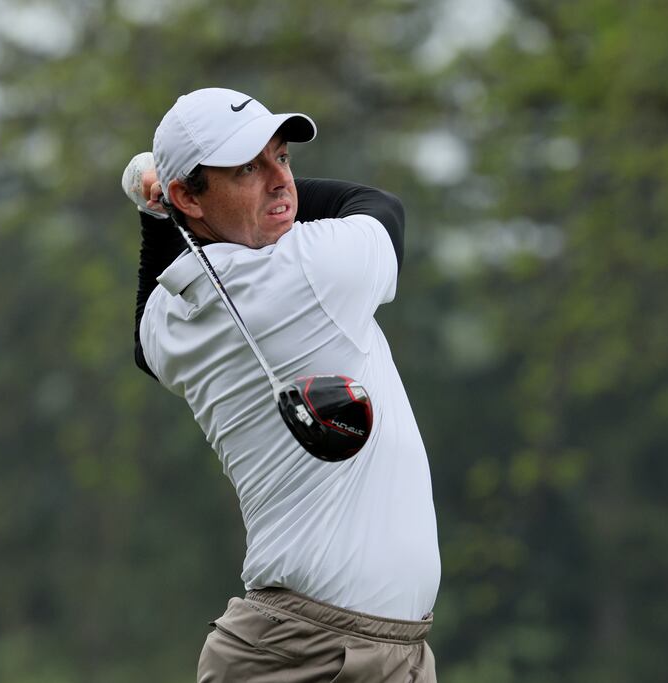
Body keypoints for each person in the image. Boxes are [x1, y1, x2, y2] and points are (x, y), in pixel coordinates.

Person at [122, 87, 440, 682]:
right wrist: (164, 208)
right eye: (247, 167)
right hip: (305, 653)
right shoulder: (311, 269)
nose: (280, 181)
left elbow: (145, 344)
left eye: (282, 158)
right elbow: (377, 205)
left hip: (380, 653)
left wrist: (159, 214)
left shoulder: (172, 320)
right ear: (190, 195)